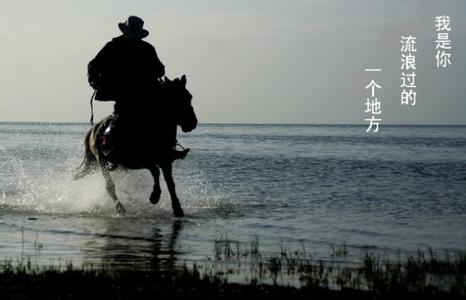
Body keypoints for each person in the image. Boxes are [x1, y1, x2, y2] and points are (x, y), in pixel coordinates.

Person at [87, 16, 188, 164]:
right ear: (126, 31)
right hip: (122, 91)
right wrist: (94, 82)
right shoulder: (113, 46)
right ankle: (109, 145)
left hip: (146, 91)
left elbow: (160, 69)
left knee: (163, 113)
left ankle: (168, 146)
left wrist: (152, 72)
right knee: (121, 116)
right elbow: (93, 65)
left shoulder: (147, 48)